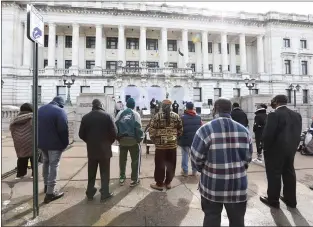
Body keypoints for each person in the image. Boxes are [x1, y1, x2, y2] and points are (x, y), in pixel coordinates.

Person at [191, 98, 253, 227]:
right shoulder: (244, 131)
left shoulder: (205, 130)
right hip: (238, 185)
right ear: (230, 110)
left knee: (211, 219)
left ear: (215, 109)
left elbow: (196, 158)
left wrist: (204, 169)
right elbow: (248, 158)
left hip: (212, 185)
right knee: (237, 221)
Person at [260, 95, 302, 209]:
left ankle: (273, 200)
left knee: (274, 174)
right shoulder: (296, 115)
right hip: (291, 150)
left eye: (272, 101)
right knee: (289, 173)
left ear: (276, 102)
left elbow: (268, 135)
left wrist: (265, 148)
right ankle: (291, 200)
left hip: (275, 151)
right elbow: (298, 134)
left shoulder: (273, 114)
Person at [79, 99, 117, 201]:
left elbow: (81, 134)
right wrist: (109, 142)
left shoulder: (86, 117)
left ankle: (90, 192)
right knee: (105, 172)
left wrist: (89, 141)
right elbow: (114, 132)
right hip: (105, 150)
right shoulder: (107, 116)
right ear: (101, 105)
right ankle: (105, 193)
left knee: (91, 172)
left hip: (91, 150)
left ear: (93, 106)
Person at [38, 96, 69, 204]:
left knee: (45, 162)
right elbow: (63, 129)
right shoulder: (60, 111)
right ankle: (50, 194)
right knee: (54, 165)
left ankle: (46, 186)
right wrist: (65, 143)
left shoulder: (40, 109)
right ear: (61, 104)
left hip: (41, 143)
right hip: (55, 144)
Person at [149, 99, 183, 190]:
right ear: (171, 107)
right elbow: (180, 129)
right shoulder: (176, 116)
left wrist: (155, 141)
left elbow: (151, 130)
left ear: (162, 107)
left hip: (160, 146)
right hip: (172, 145)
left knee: (160, 164)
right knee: (171, 164)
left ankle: (159, 184)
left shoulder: (157, 116)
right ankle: (168, 182)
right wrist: (175, 138)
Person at [115, 98, 143, 187]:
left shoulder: (120, 113)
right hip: (133, 141)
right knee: (135, 160)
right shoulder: (136, 114)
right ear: (134, 105)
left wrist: (118, 138)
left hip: (122, 141)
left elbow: (115, 126)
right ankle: (134, 180)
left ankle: (122, 177)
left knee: (122, 160)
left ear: (126, 104)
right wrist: (139, 140)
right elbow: (139, 129)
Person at [10, 103, 33, 179]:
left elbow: (12, 129)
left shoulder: (15, 119)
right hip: (31, 140)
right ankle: (34, 174)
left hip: (19, 141)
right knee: (33, 157)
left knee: (22, 157)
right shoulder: (33, 117)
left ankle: (20, 174)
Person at [178, 102, 202, 177]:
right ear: (193, 107)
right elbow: (201, 128)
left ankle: (185, 171)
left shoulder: (182, 117)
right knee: (194, 156)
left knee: (185, 155)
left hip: (185, 139)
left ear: (186, 108)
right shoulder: (198, 117)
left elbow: (179, 129)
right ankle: (194, 171)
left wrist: (178, 138)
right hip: (195, 140)